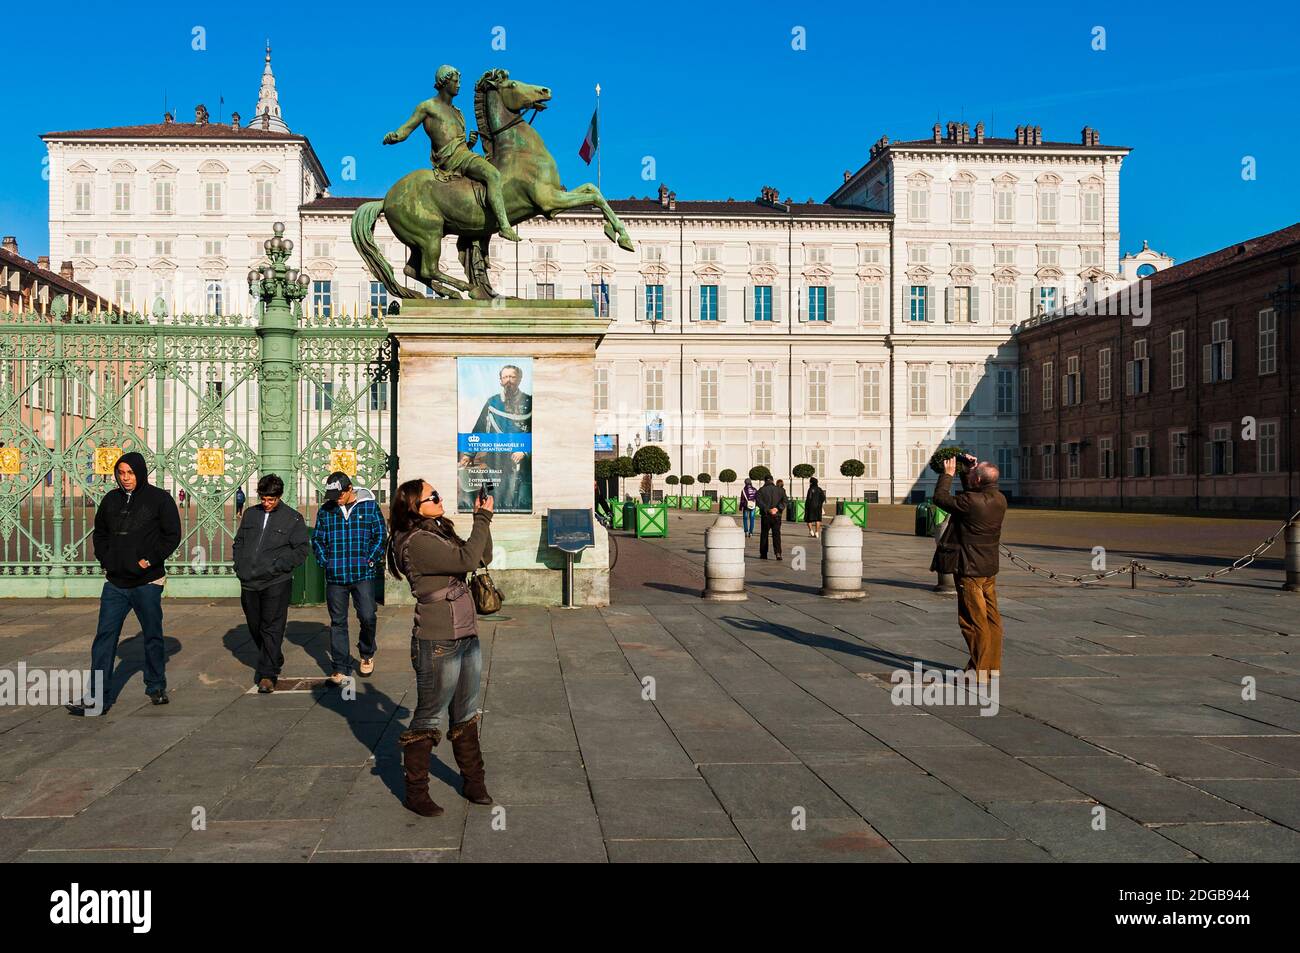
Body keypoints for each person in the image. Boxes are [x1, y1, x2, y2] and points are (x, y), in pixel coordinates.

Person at [387, 478, 495, 816]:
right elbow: (465, 561)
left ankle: (474, 782)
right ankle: (416, 792)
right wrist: (481, 521)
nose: (439, 497)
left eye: (437, 492)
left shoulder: (437, 529)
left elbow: (481, 556)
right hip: (437, 639)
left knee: (465, 712)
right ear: (413, 507)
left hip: (465, 633)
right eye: (432, 496)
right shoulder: (417, 541)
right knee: (430, 715)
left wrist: (482, 518)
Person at [71, 452, 181, 715]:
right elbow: (100, 533)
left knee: (153, 636)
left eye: (130, 473)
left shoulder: (159, 500)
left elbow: (172, 535)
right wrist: (106, 559)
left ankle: (155, 685)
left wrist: (149, 561)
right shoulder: (111, 500)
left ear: (140, 473)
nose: (126, 478)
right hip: (116, 583)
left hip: (147, 582)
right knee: (104, 638)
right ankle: (98, 697)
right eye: (121, 473)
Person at [382, 64, 520, 242]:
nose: (459, 84)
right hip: (451, 159)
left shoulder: (458, 112)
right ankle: (504, 226)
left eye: (459, 81)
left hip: (464, 154)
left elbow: (457, 141)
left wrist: (469, 143)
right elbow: (406, 129)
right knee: (493, 174)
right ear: (444, 82)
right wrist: (395, 136)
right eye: (455, 81)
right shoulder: (427, 106)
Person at [232, 474, 310, 693]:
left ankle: (267, 674)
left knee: (272, 626)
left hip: (276, 581)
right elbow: (239, 542)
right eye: (264, 499)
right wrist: (239, 565)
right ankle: (273, 656)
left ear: (279, 497)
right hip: (249, 580)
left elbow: (302, 549)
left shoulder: (292, 518)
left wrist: (278, 566)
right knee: (255, 625)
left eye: (271, 500)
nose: (267, 504)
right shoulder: (250, 515)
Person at [933, 453, 1007, 681]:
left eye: (974, 473)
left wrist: (948, 475)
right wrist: (970, 470)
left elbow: (941, 498)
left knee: (972, 621)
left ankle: (979, 670)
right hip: (988, 567)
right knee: (992, 618)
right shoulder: (1000, 499)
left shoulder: (971, 502)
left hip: (970, 568)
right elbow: (972, 496)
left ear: (977, 481)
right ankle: (991, 666)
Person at [313, 471, 386, 683]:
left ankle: (366, 652)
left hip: (362, 573)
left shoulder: (369, 507)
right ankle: (340, 666)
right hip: (336, 575)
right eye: (332, 495)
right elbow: (317, 538)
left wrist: (370, 560)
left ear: (349, 489)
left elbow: (380, 535)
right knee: (338, 622)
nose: (336, 499)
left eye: (339, 494)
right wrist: (325, 561)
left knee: (367, 615)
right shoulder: (326, 510)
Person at [466, 364, 532, 513]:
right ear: (500, 381)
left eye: (512, 377)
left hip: (519, 465)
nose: (509, 380)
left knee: (516, 503)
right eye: (505, 377)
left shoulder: (530, 403)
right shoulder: (492, 402)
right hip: (493, 462)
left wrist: (525, 451)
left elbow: (539, 434)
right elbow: (479, 430)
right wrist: (468, 454)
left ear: (519, 379)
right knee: (491, 496)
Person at [755, 475, 787, 561]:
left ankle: (764, 554)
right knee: (776, 534)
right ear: (773, 480)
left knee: (764, 535)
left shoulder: (761, 490)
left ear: (764, 481)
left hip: (766, 516)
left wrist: (768, 509)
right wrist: (777, 509)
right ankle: (778, 553)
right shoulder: (780, 490)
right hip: (777, 516)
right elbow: (785, 501)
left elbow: (758, 502)